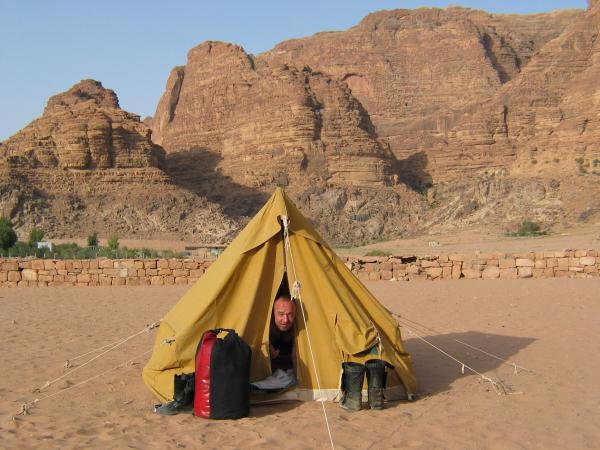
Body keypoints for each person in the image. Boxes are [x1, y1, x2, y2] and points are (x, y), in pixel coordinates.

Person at [269, 294, 296, 372]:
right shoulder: (266, 325)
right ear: (273, 313)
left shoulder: (299, 324)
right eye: (281, 314)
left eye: (290, 314)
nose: (285, 320)